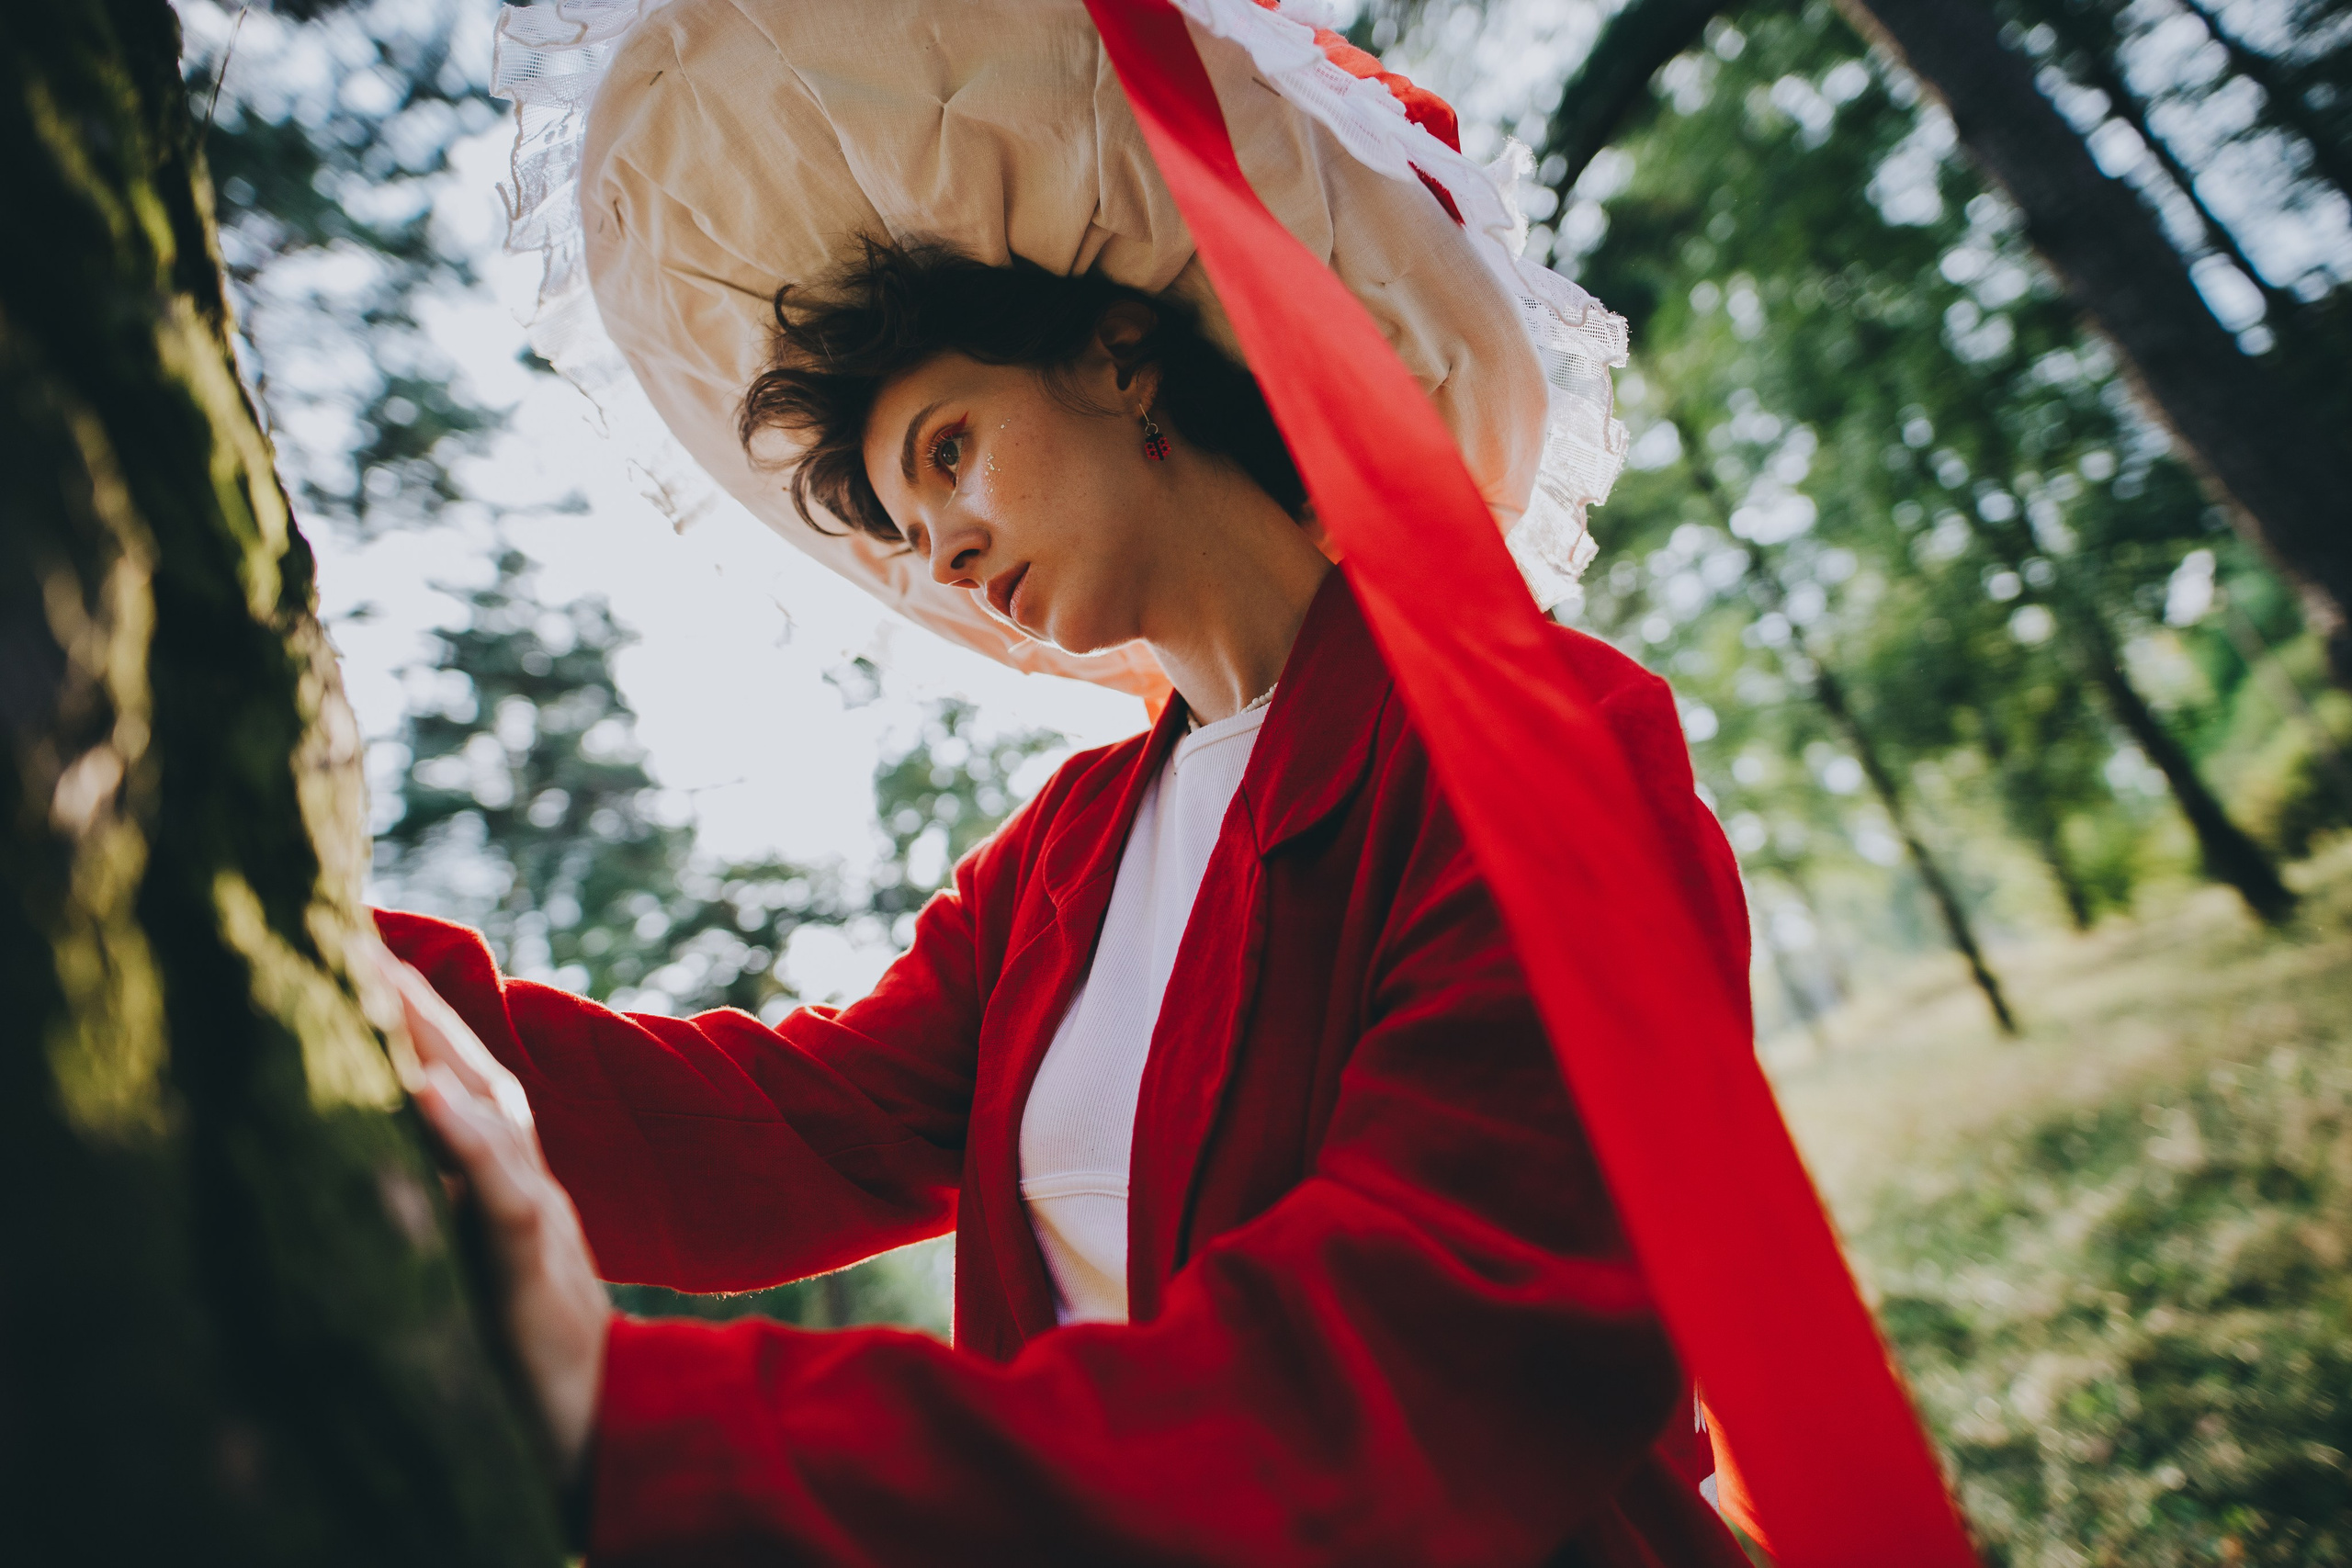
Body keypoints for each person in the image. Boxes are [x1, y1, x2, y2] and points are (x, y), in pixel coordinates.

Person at [376, 0, 1757, 1562]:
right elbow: (778, 1130)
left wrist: (644, 1421)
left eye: (949, 452)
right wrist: (356, 979)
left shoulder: (1535, 732)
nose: (946, 554)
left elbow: (1441, 1354)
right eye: (910, 530)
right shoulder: (1055, 863)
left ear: (1120, 354)